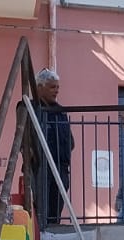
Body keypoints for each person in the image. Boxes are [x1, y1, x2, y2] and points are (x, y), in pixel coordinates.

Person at [33, 68, 73, 226]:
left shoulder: (60, 112)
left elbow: (70, 140)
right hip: (41, 168)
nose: (56, 90)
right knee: (40, 212)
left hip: (61, 168)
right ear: (39, 87)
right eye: (52, 87)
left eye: (57, 87)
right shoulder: (31, 108)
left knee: (55, 212)